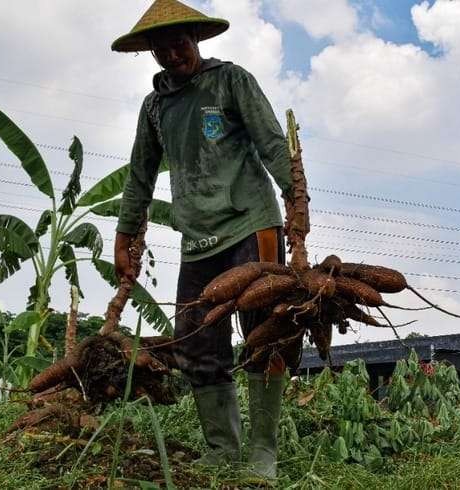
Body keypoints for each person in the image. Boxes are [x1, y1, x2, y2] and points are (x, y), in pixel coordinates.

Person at [111, 0, 294, 480]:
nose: (173, 55)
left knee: (264, 333)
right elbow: (140, 176)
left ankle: (262, 453)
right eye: (162, 48)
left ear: (195, 39)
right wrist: (125, 235)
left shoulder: (231, 81)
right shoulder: (154, 108)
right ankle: (222, 450)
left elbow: (273, 142)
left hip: (252, 224)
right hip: (197, 241)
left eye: (180, 43)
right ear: (150, 51)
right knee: (196, 342)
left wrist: (297, 201)